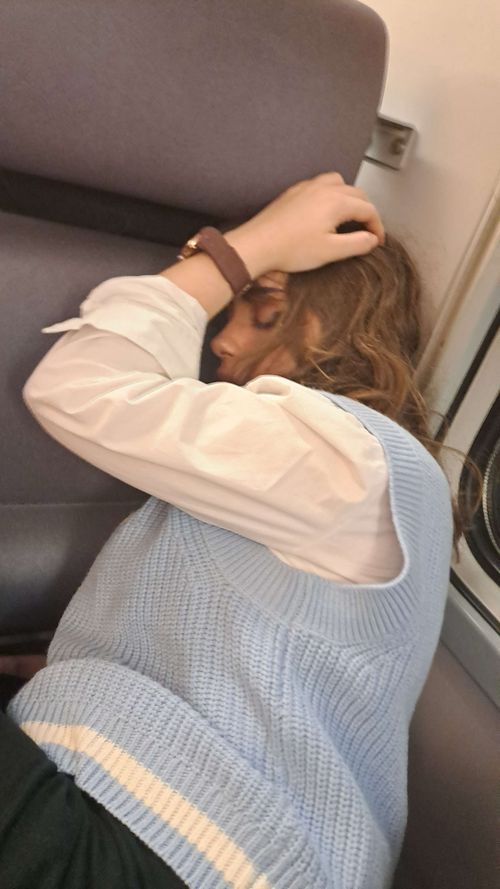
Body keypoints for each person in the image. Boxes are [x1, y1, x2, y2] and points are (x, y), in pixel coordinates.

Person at [1, 173, 459, 889]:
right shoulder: (344, 476)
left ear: (327, 323)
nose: (224, 339)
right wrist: (78, 679)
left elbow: (76, 387)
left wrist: (245, 247)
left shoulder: (344, 459)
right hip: (172, 835)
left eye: (263, 311)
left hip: (168, 850)